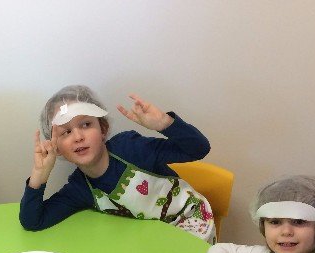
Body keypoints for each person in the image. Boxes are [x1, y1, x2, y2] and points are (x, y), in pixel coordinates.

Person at [19, 85, 215, 242]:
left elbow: (199, 149)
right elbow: (33, 221)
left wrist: (164, 123)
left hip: (191, 221)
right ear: (57, 148)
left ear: (103, 129)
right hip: (152, 239)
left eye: (86, 124)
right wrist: (40, 174)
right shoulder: (80, 188)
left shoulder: (131, 148)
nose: (78, 136)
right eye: (66, 132)